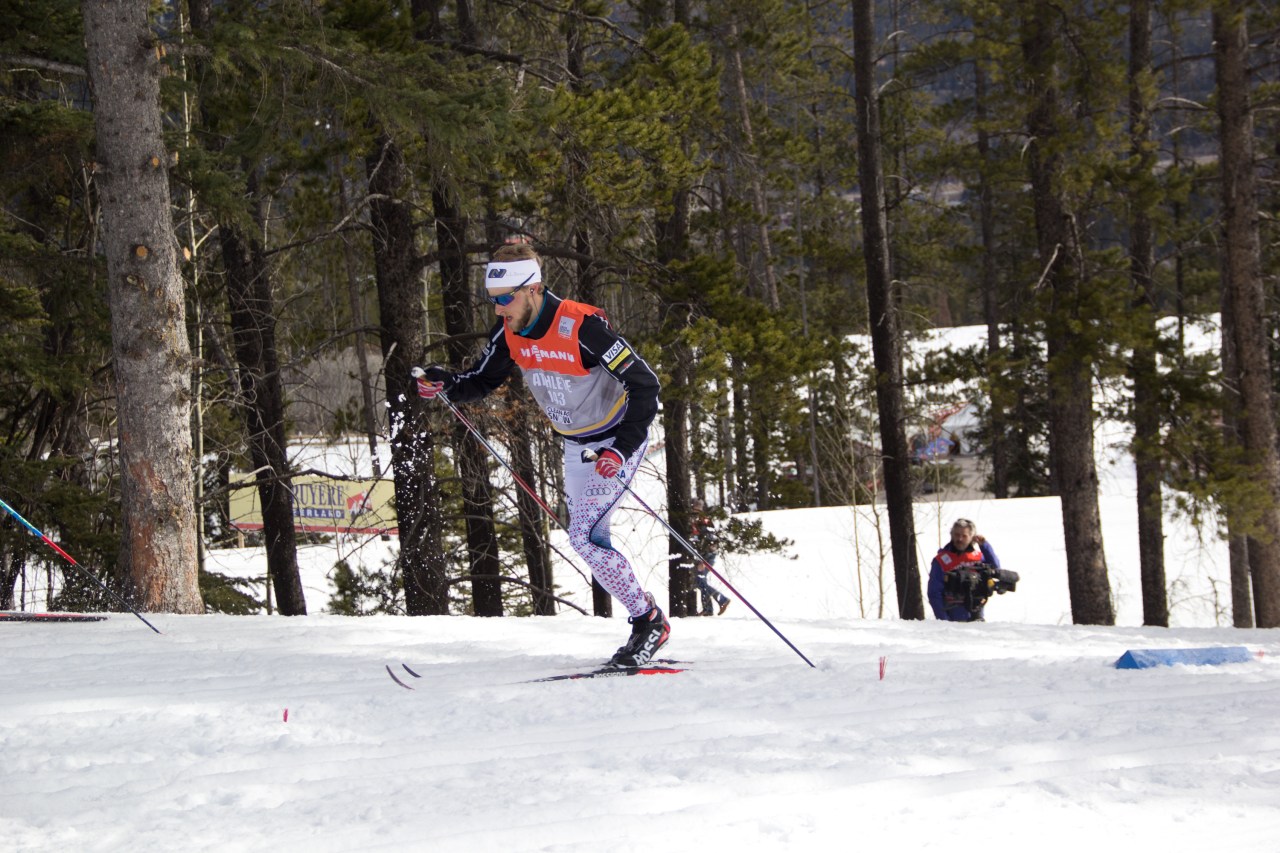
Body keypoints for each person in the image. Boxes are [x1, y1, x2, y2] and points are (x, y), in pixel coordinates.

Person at [414, 243, 669, 667]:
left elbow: (645, 384)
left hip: (615, 438)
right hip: (576, 444)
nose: (499, 309)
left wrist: (621, 449)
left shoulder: (582, 327)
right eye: (493, 300)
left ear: (532, 288)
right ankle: (648, 618)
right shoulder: (509, 331)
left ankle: (649, 622)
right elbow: (482, 380)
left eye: (505, 299)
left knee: (584, 536)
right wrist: (447, 384)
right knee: (591, 540)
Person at [927, 517, 1001, 622]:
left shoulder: (978, 557)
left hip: (976, 615)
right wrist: (944, 620)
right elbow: (934, 593)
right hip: (952, 617)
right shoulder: (941, 560)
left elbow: (996, 568)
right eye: (957, 535)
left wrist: (984, 546)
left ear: (971, 537)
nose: (960, 539)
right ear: (952, 535)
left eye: (964, 536)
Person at [690, 499, 729, 616]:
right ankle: (708, 609)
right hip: (705, 555)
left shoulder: (702, 521)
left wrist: (702, 559)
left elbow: (708, 540)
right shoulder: (700, 520)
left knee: (699, 581)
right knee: (700, 580)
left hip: (706, 556)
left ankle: (721, 600)